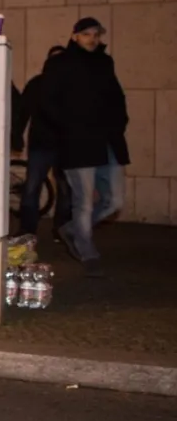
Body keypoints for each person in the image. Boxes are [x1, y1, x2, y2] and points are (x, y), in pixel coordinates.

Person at [44, 18, 129, 277]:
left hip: (108, 141)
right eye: (86, 34)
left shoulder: (105, 62)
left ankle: (72, 230)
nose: (92, 38)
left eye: (95, 34)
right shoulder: (60, 64)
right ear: (74, 36)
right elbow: (48, 103)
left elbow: (116, 96)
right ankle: (86, 250)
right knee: (84, 203)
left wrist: (119, 122)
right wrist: (67, 130)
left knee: (114, 201)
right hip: (78, 144)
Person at [19, 46, 72, 239]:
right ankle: (27, 230)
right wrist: (16, 135)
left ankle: (62, 229)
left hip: (65, 146)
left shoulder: (73, 86)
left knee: (66, 190)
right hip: (41, 144)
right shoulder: (37, 84)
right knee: (32, 187)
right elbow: (23, 111)